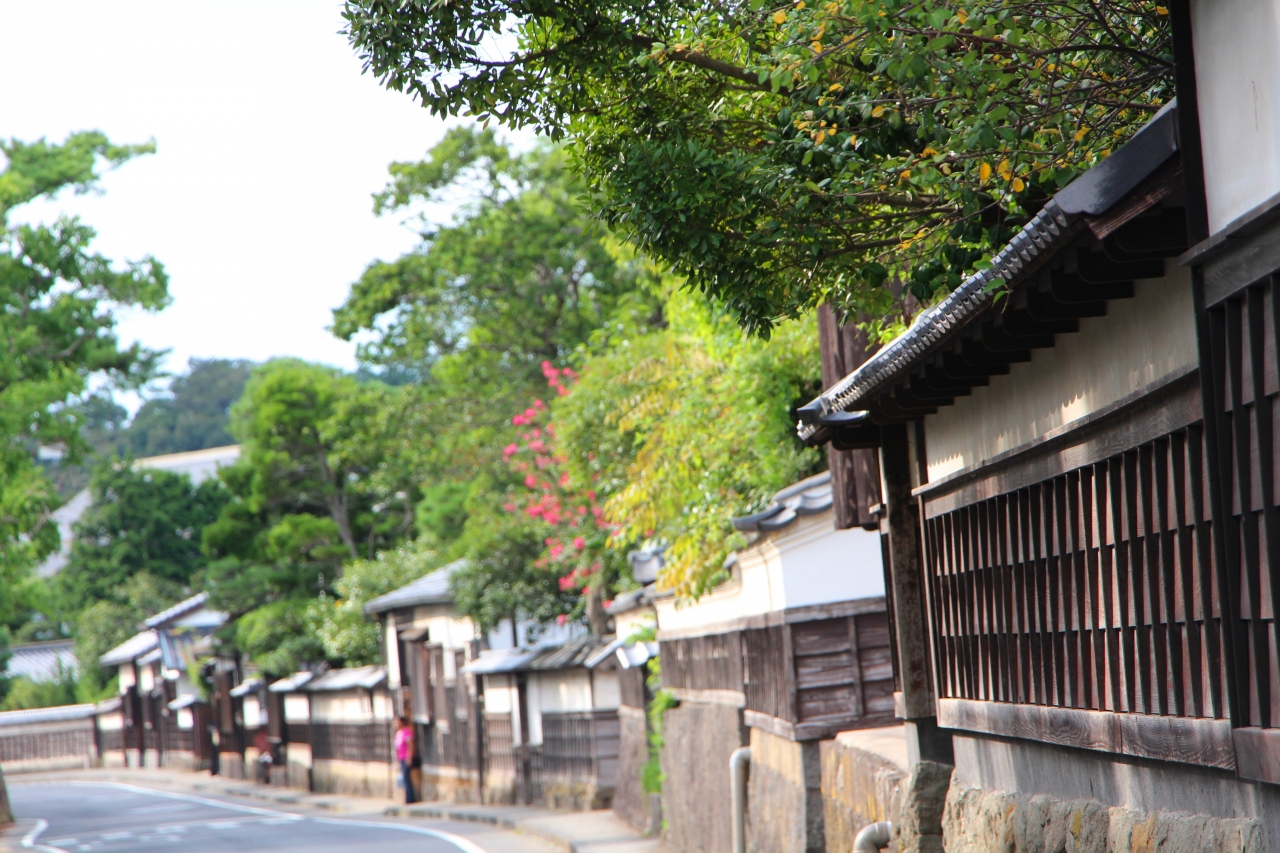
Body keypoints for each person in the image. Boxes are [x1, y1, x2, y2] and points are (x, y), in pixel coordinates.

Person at [394, 716, 417, 803]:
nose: (396, 724)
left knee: (407, 778)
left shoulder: (406, 732)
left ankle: (410, 798)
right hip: (401, 757)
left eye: (397, 722)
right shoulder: (398, 733)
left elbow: (410, 746)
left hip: (406, 757)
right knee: (404, 778)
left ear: (402, 722)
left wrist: (409, 758)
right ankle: (406, 797)